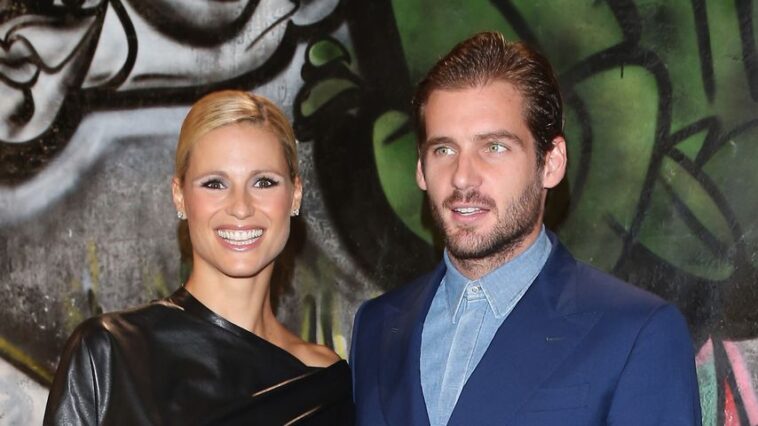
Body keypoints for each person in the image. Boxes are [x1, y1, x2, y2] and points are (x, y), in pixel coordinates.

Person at [350, 32, 701, 425]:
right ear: (420, 169)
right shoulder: (376, 328)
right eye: (444, 149)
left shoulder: (636, 333)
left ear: (551, 163)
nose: (462, 177)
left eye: (494, 147)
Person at [44, 90, 354, 425]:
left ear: (295, 195)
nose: (241, 207)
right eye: (215, 184)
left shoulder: (328, 384)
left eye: (264, 182)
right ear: (179, 196)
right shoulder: (109, 356)